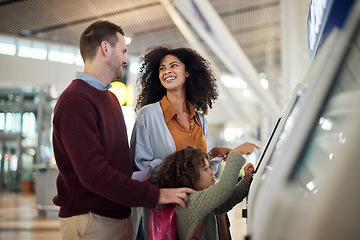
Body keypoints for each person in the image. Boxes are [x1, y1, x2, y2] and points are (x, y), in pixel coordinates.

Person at [52, 20, 195, 240]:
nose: (126, 60)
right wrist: (157, 195)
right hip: (92, 220)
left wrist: (135, 177)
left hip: (118, 216)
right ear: (105, 48)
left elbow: (110, 163)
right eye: (123, 51)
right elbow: (94, 175)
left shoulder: (110, 99)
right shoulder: (75, 100)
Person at [130, 46, 233, 239]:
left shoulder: (200, 119)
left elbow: (203, 171)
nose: (166, 71)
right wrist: (180, 166)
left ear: (188, 72)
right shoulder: (148, 116)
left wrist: (213, 157)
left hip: (199, 211)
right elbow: (140, 168)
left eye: (173, 65)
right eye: (162, 68)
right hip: (166, 215)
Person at [157, 143, 258, 240]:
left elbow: (226, 201)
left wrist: (246, 180)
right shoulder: (190, 202)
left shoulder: (196, 198)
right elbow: (224, 189)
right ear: (189, 177)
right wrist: (237, 152)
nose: (211, 172)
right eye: (205, 169)